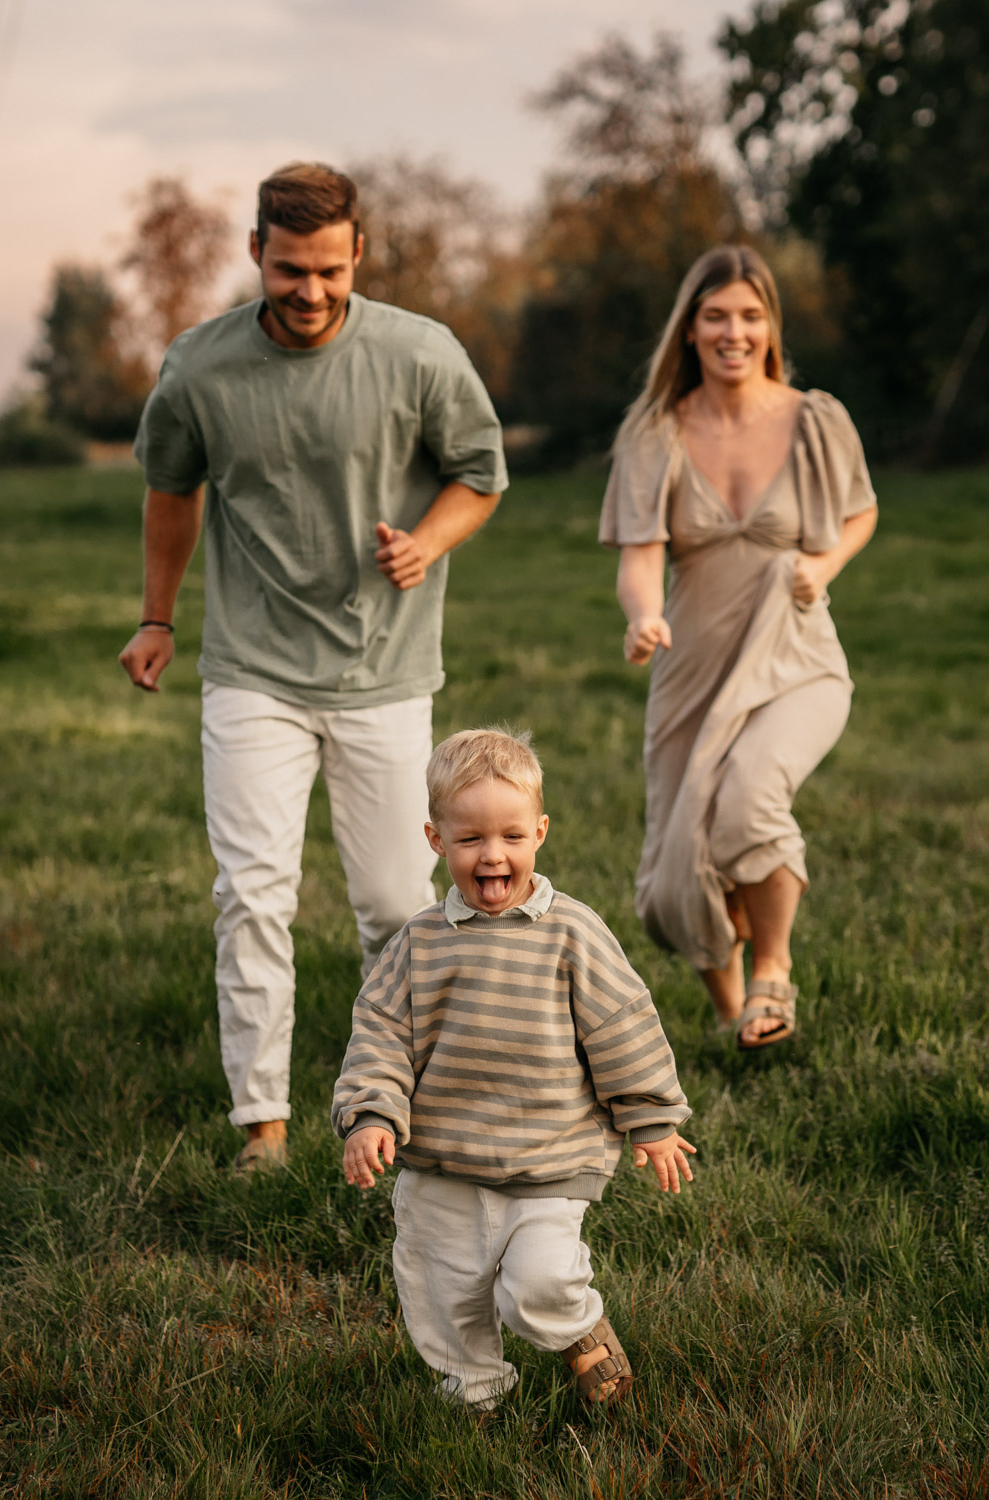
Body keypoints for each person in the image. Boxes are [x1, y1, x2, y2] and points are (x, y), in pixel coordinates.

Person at [118, 163, 508, 1169]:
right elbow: (170, 490)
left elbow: (479, 474)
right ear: (256, 253)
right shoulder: (199, 369)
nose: (309, 292)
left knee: (391, 905)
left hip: (384, 673)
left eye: (329, 271)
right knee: (252, 895)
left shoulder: (419, 354)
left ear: (358, 256)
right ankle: (265, 1126)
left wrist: (428, 542)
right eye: (289, 270)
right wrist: (158, 618)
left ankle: (391, 1101)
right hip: (252, 671)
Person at [332, 728, 695, 1409]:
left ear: (540, 832)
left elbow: (622, 1027)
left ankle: (579, 1329)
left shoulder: (573, 933)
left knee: (539, 1281)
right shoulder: (418, 944)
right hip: (444, 1156)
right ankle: (473, 1391)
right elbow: (378, 1034)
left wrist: (650, 1119)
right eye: (470, 839)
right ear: (436, 839)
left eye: (511, 836)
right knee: (444, 1289)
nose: (492, 854)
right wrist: (371, 1114)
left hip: (550, 1155)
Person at [599, 245, 877, 1049]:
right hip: (693, 666)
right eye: (716, 316)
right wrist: (643, 615)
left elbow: (860, 511)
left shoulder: (816, 418)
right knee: (680, 858)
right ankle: (731, 1018)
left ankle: (773, 973)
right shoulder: (655, 434)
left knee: (750, 794)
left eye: (751, 316)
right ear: (689, 330)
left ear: (771, 327)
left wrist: (822, 565)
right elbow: (640, 558)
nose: (735, 331)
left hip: (797, 659)